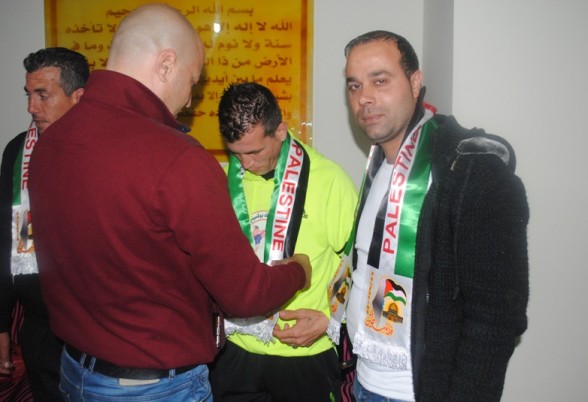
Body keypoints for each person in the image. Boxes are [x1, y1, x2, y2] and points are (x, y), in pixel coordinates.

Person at [28, 4, 312, 401]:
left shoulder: (49, 143)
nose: (190, 99)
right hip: (153, 386)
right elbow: (245, 294)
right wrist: (299, 270)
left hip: (75, 372)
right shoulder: (177, 158)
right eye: (192, 81)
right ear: (166, 65)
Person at [330, 30, 529, 402]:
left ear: (415, 82)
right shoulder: (378, 165)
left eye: (380, 80)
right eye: (354, 85)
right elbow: (372, 273)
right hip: (363, 382)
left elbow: (496, 319)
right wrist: (332, 319)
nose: (364, 97)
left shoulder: (473, 171)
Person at [209, 82, 358, 402]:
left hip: (306, 353)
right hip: (236, 351)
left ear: (280, 131)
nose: (245, 164)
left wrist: (331, 321)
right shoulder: (223, 181)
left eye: (254, 152)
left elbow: (357, 263)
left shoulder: (329, 180)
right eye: (235, 153)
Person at [0, 47, 89, 401]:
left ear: (78, 97)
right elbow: (5, 239)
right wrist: (1, 323)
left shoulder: (105, 153)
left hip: (93, 326)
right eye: (29, 94)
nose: (31, 107)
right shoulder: (18, 152)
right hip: (40, 326)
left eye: (43, 95)